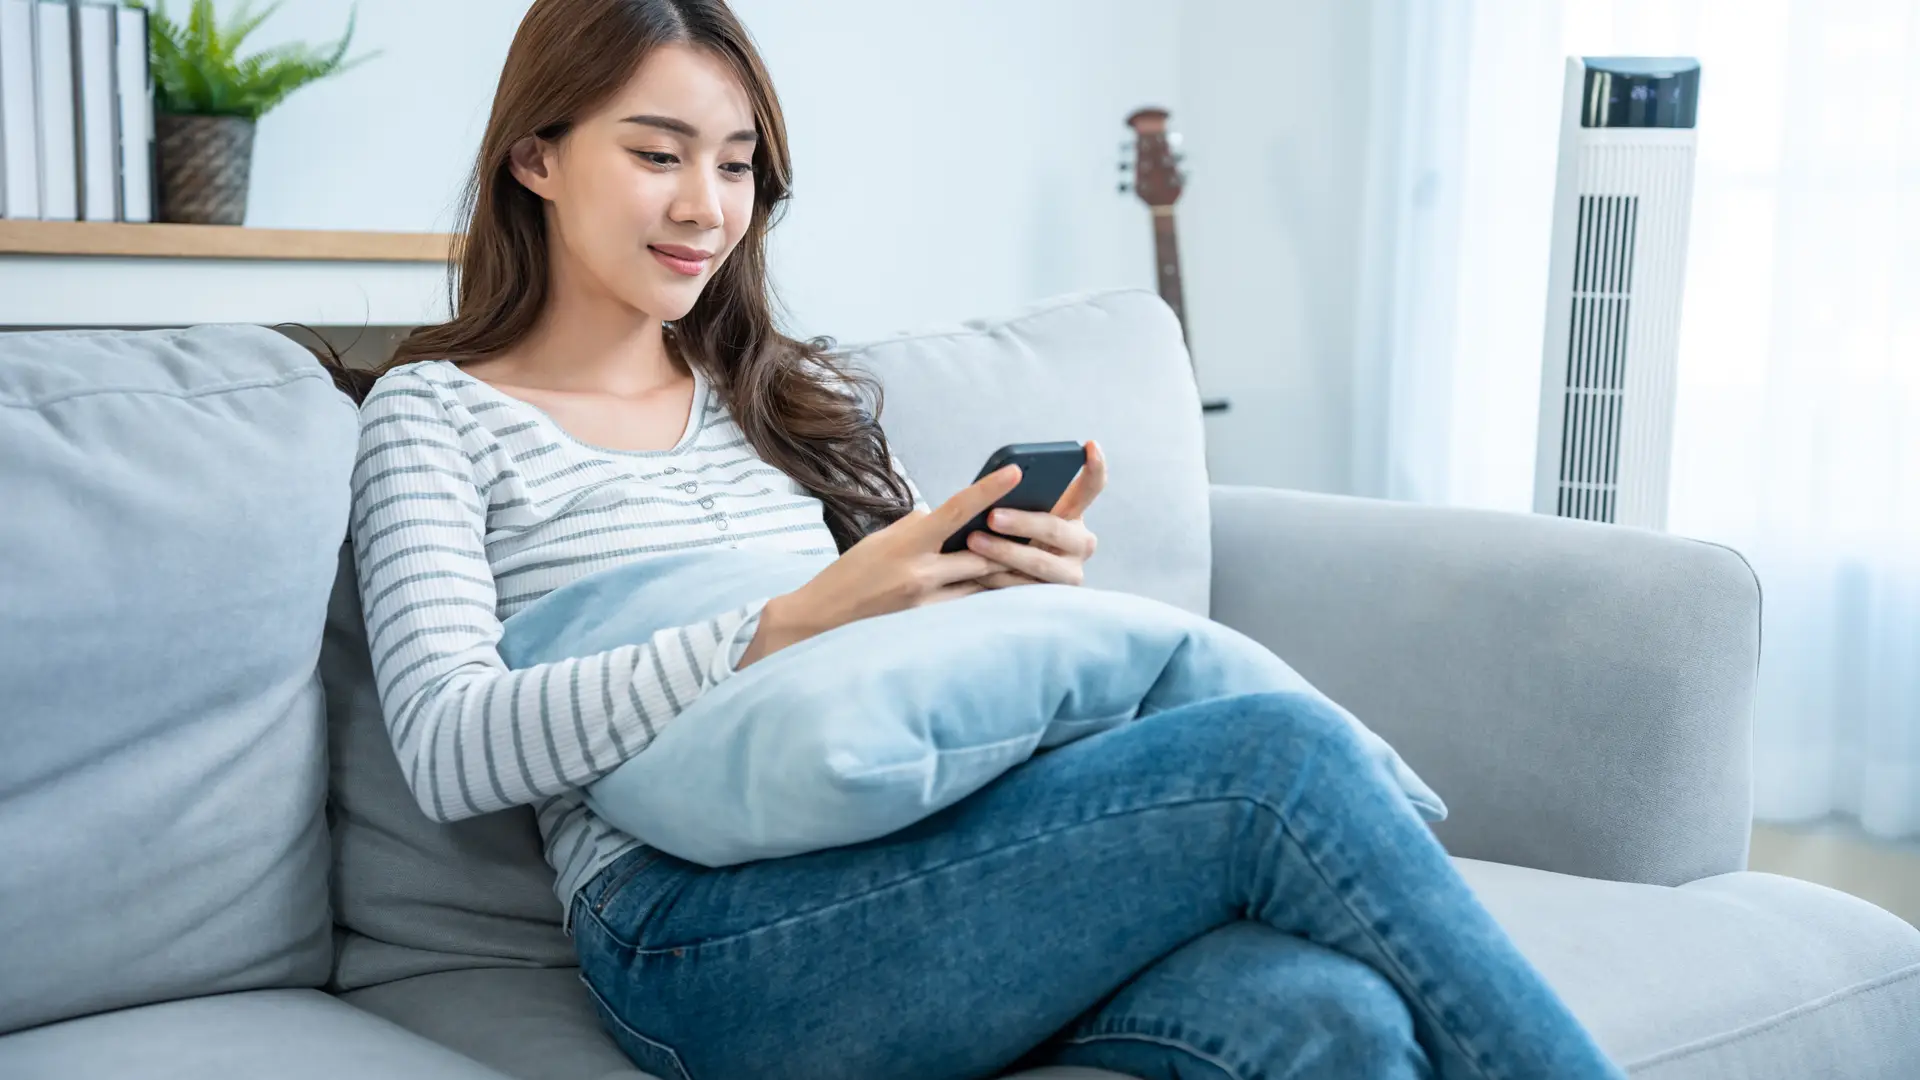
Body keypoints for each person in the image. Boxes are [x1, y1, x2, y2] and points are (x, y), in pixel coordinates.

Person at [337, 2, 1626, 1077]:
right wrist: (791, 618)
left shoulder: (772, 395)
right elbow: (454, 745)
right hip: (691, 933)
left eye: (736, 165)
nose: (706, 207)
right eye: (658, 153)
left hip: (923, 859)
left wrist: (1000, 593)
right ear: (538, 158)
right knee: (1272, 760)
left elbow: (876, 706)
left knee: (1324, 1016)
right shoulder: (439, 413)